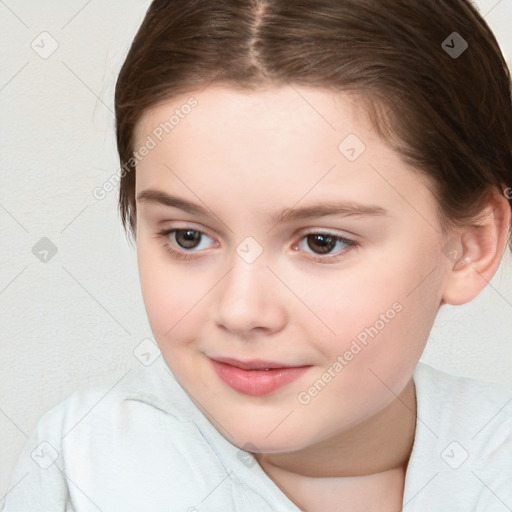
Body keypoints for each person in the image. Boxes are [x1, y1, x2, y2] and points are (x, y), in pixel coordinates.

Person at [4, 0, 512, 510]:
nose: (241, 311)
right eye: (187, 237)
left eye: (322, 242)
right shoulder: (86, 467)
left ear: (470, 245)